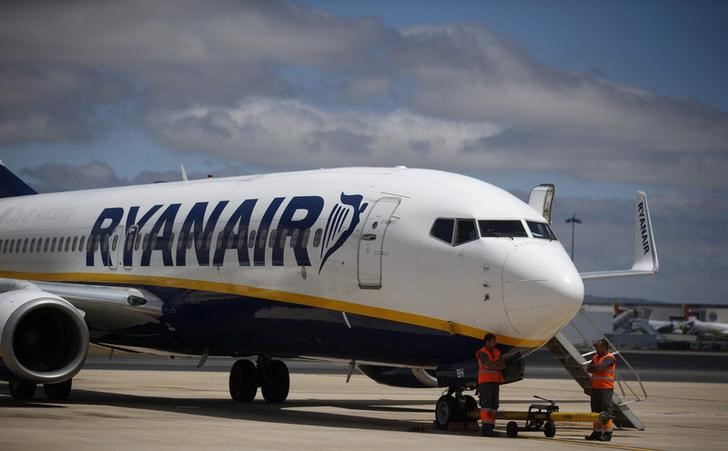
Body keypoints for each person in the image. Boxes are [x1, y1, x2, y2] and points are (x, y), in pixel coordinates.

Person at [585, 339, 616, 441]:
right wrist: (595, 367)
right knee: (595, 412)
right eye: (596, 347)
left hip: (605, 389)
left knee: (605, 412)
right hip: (595, 388)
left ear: (604, 347)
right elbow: (588, 368)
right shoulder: (595, 357)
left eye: (598, 347)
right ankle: (597, 432)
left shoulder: (609, 358)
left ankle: (608, 433)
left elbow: (600, 367)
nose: (596, 349)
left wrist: (595, 367)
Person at [475, 333, 504, 436]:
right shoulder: (482, 353)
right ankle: (486, 429)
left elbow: (502, 366)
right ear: (487, 342)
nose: (495, 343)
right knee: (486, 405)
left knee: (494, 405)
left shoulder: (497, 352)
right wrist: (497, 363)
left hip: (495, 382)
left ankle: (491, 428)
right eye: (493, 341)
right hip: (485, 382)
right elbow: (488, 365)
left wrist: (494, 365)